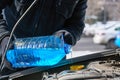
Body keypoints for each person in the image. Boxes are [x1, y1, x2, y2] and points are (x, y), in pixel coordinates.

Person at [0, 0, 87, 75]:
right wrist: (3, 38)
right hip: (11, 58)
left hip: (51, 66)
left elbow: (77, 25)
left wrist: (66, 35)